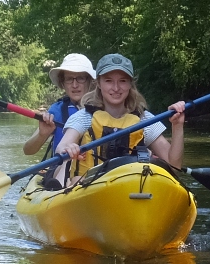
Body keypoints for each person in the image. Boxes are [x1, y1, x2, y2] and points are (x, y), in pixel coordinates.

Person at [55, 53, 185, 183]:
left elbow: (174, 166)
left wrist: (177, 126)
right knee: (70, 172)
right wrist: (68, 149)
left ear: (130, 84)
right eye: (109, 81)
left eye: (122, 81)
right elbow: (62, 147)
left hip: (132, 188)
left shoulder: (145, 119)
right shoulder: (84, 117)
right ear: (99, 83)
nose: (116, 88)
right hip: (89, 187)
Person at [23, 53, 96, 156]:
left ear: (90, 81)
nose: (75, 85)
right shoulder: (57, 110)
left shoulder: (103, 108)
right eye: (69, 79)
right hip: (62, 169)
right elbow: (27, 151)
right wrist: (42, 135)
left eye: (80, 78)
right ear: (63, 83)